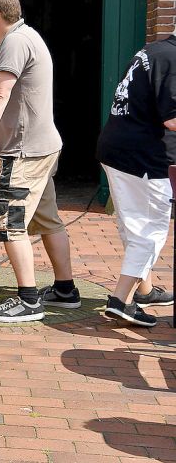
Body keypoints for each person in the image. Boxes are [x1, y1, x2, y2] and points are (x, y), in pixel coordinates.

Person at [0, 0, 76, 323]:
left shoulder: (15, 42)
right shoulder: (3, 43)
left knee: (10, 222)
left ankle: (28, 300)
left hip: (23, 152)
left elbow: (0, 94)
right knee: (45, 218)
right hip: (42, 148)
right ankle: (66, 290)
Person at [95, 34, 176, 327]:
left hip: (116, 150)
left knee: (133, 226)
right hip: (144, 158)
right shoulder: (173, 59)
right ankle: (120, 300)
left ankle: (144, 290)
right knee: (151, 231)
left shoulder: (153, 50)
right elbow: (172, 119)